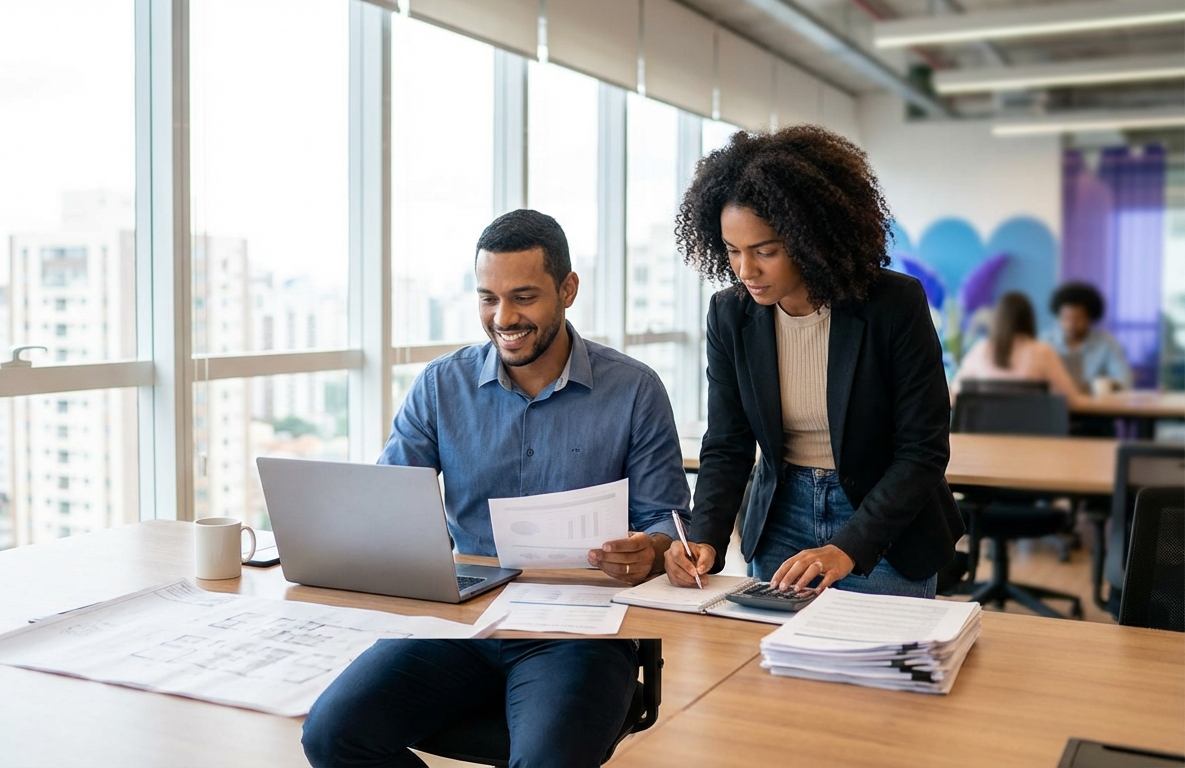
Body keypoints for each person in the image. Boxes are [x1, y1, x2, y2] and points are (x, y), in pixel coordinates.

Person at [301, 209, 692, 768]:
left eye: (524, 297)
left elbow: (667, 521)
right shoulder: (441, 386)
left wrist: (648, 550)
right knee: (333, 734)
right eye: (488, 297)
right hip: (461, 621)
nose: (503, 317)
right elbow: (388, 504)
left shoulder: (634, 389)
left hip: (580, 632)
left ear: (568, 289)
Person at [664, 125, 962, 599]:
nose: (746, 270)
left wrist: (848, 547)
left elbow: (922, 451)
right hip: (780, 517)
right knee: (776, 668)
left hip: (882, 526)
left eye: (765, 251)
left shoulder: (893, 303)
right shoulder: (730, 313)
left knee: (875, 668)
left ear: (810, 238)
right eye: (732, 251)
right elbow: (727, 442)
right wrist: (705, 538)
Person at [951, 292, 1087, 408]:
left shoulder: (980, 349)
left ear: (997, 320)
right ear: (1029, 319)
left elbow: (955, 393)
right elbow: (1070, 399)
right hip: (1033, 434)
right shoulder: (1042, 352)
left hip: (982, 433)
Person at [1043, 281, 1133, 393]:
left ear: (1090, 317)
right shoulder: (1045, 341)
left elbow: (1125, 380)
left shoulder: (1106, 343)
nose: (1071, 324)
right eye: (1065, 318)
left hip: (1093, 407)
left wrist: (1094, 387)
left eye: (1077, 318)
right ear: (1058, 316)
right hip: (1054, 404)